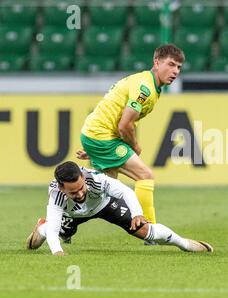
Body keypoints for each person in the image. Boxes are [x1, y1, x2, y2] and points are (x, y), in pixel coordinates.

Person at [76, 44, 185, 229]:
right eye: (171, 64)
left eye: (179, 67)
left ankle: (65, 222)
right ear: (156, 63)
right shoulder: (146, 88)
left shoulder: (146, 82)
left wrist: (95, 148)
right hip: (102, 136)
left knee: (101, 193)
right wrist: (134, 145)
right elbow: (125, 125)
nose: (175, 71)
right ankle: (149, 228)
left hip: (97, 135)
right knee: (145, 175)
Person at [25, 161, 213, 256]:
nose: (80, 194)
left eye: (81, 188)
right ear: (61, 188)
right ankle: (42, 226)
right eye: (73, 192)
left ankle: (184, 244)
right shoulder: (56, 195)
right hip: (72, 214)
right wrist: (57, 252)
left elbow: (126, 192)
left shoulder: (97, 179)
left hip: (104, 205)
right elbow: (55, 228)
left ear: (83, 178)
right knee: (35, 244)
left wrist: (138, 213)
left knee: (146, 231)